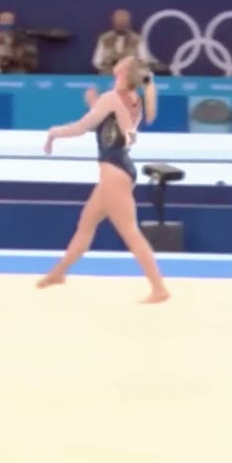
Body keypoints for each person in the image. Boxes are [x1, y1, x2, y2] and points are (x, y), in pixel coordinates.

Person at [37, 56, 169, 304]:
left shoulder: (112, 98)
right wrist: (94, 104)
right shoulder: (133, 99)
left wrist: (54, 133)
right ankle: (58, 273)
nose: (119, 61)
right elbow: (114, 123)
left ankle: (159, 288)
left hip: (113, 173)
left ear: (124, 71)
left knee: (130, 233)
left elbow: (80, 128)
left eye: (124, 61)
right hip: (118, 170)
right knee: (86, 224)